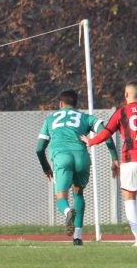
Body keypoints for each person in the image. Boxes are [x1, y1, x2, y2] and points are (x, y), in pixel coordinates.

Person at [36, 89, 118, 246]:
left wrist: (46, 167)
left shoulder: (50, 119)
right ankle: (78, 237)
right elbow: (106, 134)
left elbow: (39, 149)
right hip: (81, 157)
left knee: (61, 197)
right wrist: (114, 158)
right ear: (77, 104)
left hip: (62, 157)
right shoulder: (86, 117)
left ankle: (68, 212)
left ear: (60, 104)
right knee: (78, 194)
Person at [84, 80, 137, 246]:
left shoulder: (122, 112)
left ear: (126, 94)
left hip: (129, 161)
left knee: (129, 198)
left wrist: (90, 141)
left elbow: (106, 132)